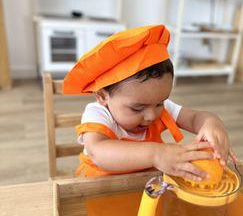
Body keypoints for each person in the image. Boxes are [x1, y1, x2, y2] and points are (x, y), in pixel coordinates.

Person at [63, 24, 234, 179]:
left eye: (160, 103)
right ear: (102, 96)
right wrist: (156, 154)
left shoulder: (154, 105)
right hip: (100, 190)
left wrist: (212, 124)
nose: (152, 115)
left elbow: (195, 118)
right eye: (137, 108)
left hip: (147, 185)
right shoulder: (97, 113)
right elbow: (97, 152)